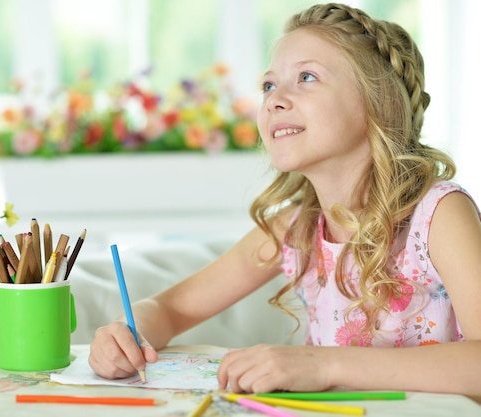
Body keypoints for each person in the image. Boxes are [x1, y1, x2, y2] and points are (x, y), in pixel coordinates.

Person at [89, 2, 481, 399]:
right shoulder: (294, 229)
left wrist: (323, 364)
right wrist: (125, 332)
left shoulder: (439, 217)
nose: (274, 100)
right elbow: (172, 309)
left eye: (306, 77)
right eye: (268, 86)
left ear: (379, 102)